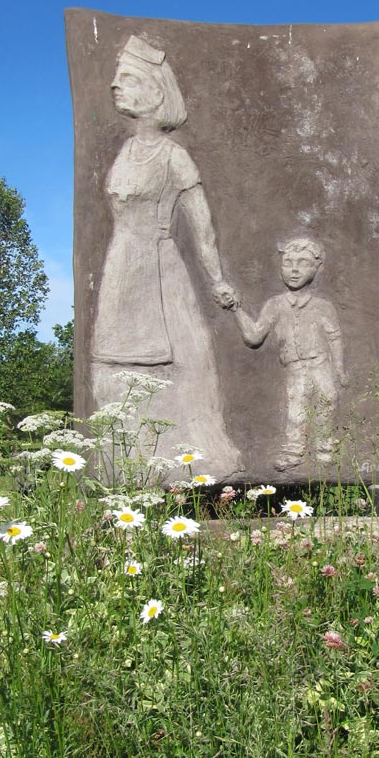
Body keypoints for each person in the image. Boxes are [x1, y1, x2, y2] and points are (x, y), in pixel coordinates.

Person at [91, 33, 241, 475]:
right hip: (120, 266)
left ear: (157, 92)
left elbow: (203, 229)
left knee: (172, 364)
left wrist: (217, 280)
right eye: (115, 78)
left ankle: (183, 462)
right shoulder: (124, 151)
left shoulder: (175, 157)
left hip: (158, 274)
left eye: (128, 79)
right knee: (115, 363)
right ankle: (123, 463)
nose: (115, 86)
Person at [230, 237, 346, 471]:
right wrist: (236, 309)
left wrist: (339, 368)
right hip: (294, 367)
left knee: (327, 402)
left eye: (303, 263)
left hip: (320, 364)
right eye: (288, 263)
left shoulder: (324, 306)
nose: (294, 270)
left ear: (316, 267)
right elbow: (253, 336)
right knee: (296, 410)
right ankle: (293, 452)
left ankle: (324, 448)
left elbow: (335, 338)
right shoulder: (275, 305)